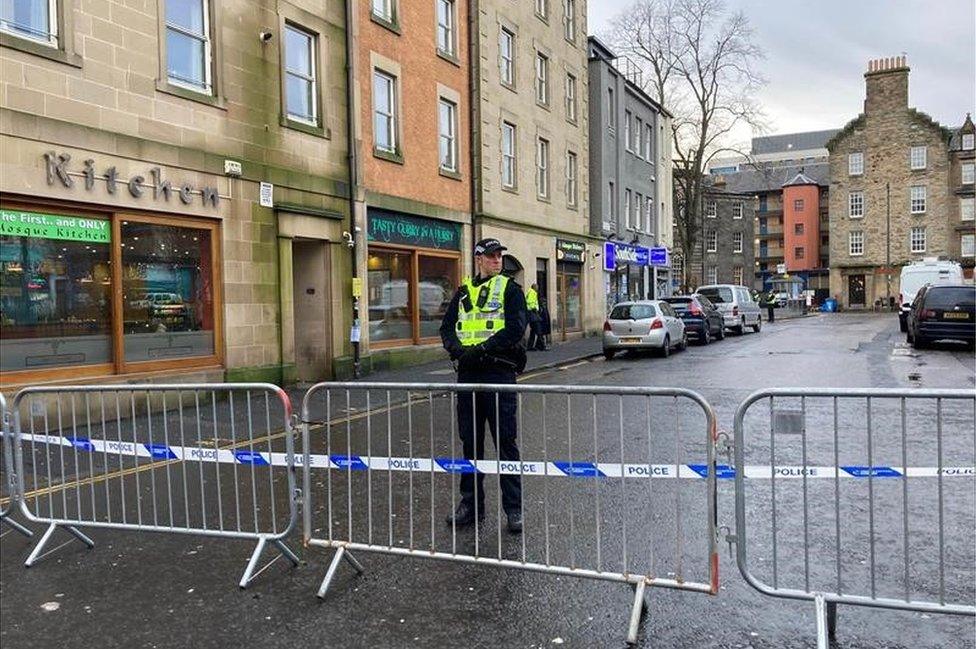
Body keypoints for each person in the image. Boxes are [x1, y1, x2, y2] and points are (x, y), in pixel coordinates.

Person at [440, 238, 528, 533]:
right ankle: (471, 505)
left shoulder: (510, 290)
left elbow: (515, 328)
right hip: (468, 374)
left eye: (500, 256)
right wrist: (457, 351)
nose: (497, 260)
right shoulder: (463, 292)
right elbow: (447, 327)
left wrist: (480, 350)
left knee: (505, 442)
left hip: (498, 373)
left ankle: (513, 510)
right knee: (470, 443)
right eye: (491, 256)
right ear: (478, 259)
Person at [525, 283, 545, 351]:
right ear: (534, 287)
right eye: (537, 287)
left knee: (533, 331)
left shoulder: (530, 292)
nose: (538, 288)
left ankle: (530, 347)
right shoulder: (532, 292)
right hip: (533, 313)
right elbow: (530, 302)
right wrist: (534, 309)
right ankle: (542, 346)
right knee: (539, 330)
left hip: (530, 314)